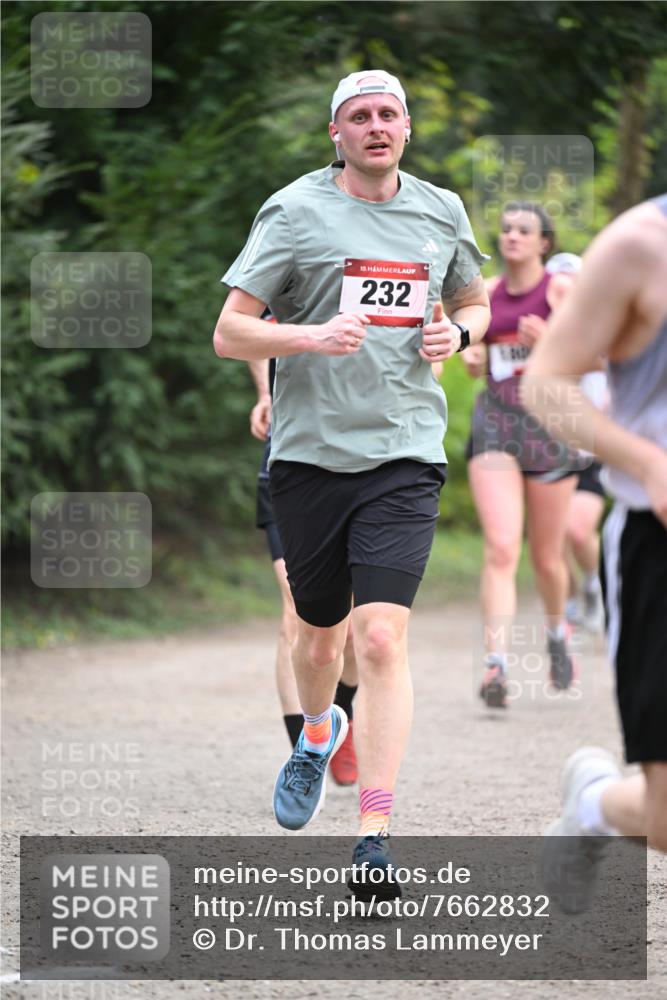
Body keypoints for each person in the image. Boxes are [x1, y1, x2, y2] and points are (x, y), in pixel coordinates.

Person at [214, 69, 490, 893]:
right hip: (308, 458)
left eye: (388, 115)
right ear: (336, 133)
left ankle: (374, 831)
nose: (375, 127)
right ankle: (311, 737)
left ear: (406, 128)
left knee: (379, 639)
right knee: (317, 636)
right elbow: (231, 333)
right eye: (358, 116)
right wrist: (307, 337)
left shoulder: (440, 210)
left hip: (404, 453)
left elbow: (472, 303)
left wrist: (460, 335)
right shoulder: (293, 211)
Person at [523, 195, 667, 912]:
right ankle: (595, 806)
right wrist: (646, 462)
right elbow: (546, 380)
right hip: (658, 539)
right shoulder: (641, 243)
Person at [462, 203, 580, 708]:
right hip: (496, 426)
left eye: (523, 231)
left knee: (548, 558)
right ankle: (497, 666)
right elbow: (470, 355)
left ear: (543, 243)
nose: (512, 237)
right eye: (506, 229)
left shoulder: (560, 291)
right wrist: (469, 353)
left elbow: (597, 356)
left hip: (551, 428)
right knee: (502, 548)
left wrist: (550, 341)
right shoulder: (485, 294)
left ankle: (557, 632)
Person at [248, 354, 358, 785]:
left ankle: (341, 717)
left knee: (348, 622)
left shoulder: (383, 285)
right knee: (296, 607)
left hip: (362, 469)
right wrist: (264, 391)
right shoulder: (288, 284)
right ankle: (305, 756)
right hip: (288, 461)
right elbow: (254, 328)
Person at [545, 254, 607, 633]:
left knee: (577, 530)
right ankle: (566, 605)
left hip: (589, 451)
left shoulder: (602, 325)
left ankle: (594, 584)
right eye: (558, 283)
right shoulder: (532, 331)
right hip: (545, 449)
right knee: (552, 541)